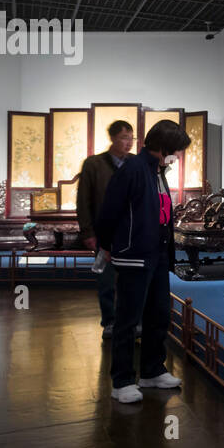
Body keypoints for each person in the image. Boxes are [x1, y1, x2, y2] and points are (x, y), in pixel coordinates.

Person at [95, 120, 191, 404]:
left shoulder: (157, 171)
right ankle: (122, 380)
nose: (179, 155)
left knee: (158, 315)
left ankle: (152, 371)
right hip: (135, 254)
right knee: (128, 320)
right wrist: (107, 245)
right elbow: (109, 210)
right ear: (163, 147)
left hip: (158, 254)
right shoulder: (134, 169)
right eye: (176, 150)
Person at [77, 119, 135, 338]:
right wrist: (87, 232)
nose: (128, 142)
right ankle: (110, 322)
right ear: (112, 138)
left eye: (131, 138)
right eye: (124, 137)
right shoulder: (94, 164)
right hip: (105, 233)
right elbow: (83, 200)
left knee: (131, 280)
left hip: (131, 232)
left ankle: (131, 321)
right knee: (107, 280)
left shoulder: (134, 163)